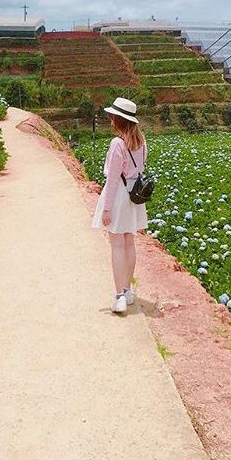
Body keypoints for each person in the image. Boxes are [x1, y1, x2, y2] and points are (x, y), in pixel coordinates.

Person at [92, 97, 148, 314]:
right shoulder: (141, 143)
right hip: (134, 198)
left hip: (118, 198)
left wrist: (106, 209)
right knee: (129, 243)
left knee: (116, 246)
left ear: (117, 120)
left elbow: (113, 179)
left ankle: (119, 297)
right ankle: (128, 291)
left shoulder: (117, 144)